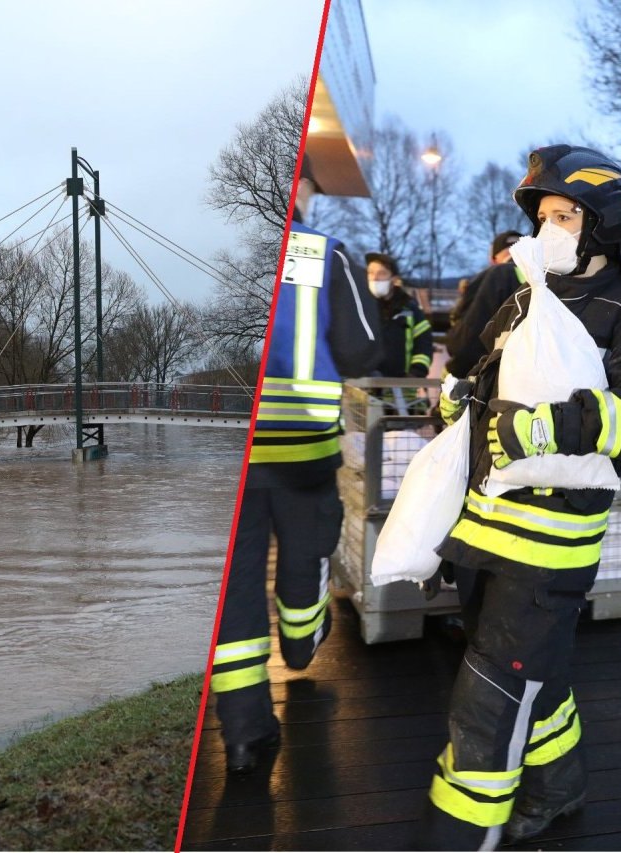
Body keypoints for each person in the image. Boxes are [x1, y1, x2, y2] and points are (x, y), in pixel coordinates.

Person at [423, 145, 621, 849]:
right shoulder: (523, 297)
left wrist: (556, 425)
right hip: (484, 527)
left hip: (548, 546)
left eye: (565, 215)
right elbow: (479, 377)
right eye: (543, 216)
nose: (549, 229)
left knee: (488, 698)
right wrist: (456, 408)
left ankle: (458, 830)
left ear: (602, 223)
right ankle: (560, 788)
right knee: (537, 671)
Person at [208, 154, 380, 775]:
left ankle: (247, 737)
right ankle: (303, 645)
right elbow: (364, 348)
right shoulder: (321, 254)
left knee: (235, 592)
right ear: (302, 186)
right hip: (302, 447)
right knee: (304, 554)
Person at [445, 230, 526, 378]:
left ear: (492, 259)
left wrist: (457, 371)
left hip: (494, 375)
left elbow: (469, 336)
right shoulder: (548, 276)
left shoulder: (498, 275)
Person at [366, 252, 434, 381]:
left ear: (394, 279)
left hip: (402, 390)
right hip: (364, 388)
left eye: (381, 273)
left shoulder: (411, 310)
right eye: (370, 273)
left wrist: (416, 372)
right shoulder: (359, 308)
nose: (374, 278)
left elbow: (424, 345)